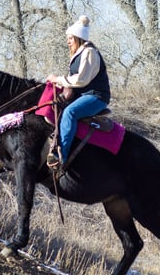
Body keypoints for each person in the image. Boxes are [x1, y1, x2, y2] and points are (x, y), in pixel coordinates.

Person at [45, 15, 111, 168]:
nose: (68, 42)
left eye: (70, 39)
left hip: (96, 96)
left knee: (70, 113)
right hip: (85, 95)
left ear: (77, 38)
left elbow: (81, 79)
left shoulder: (89, 53)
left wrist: (58, 79)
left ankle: (61, 156)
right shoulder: (80, 53)